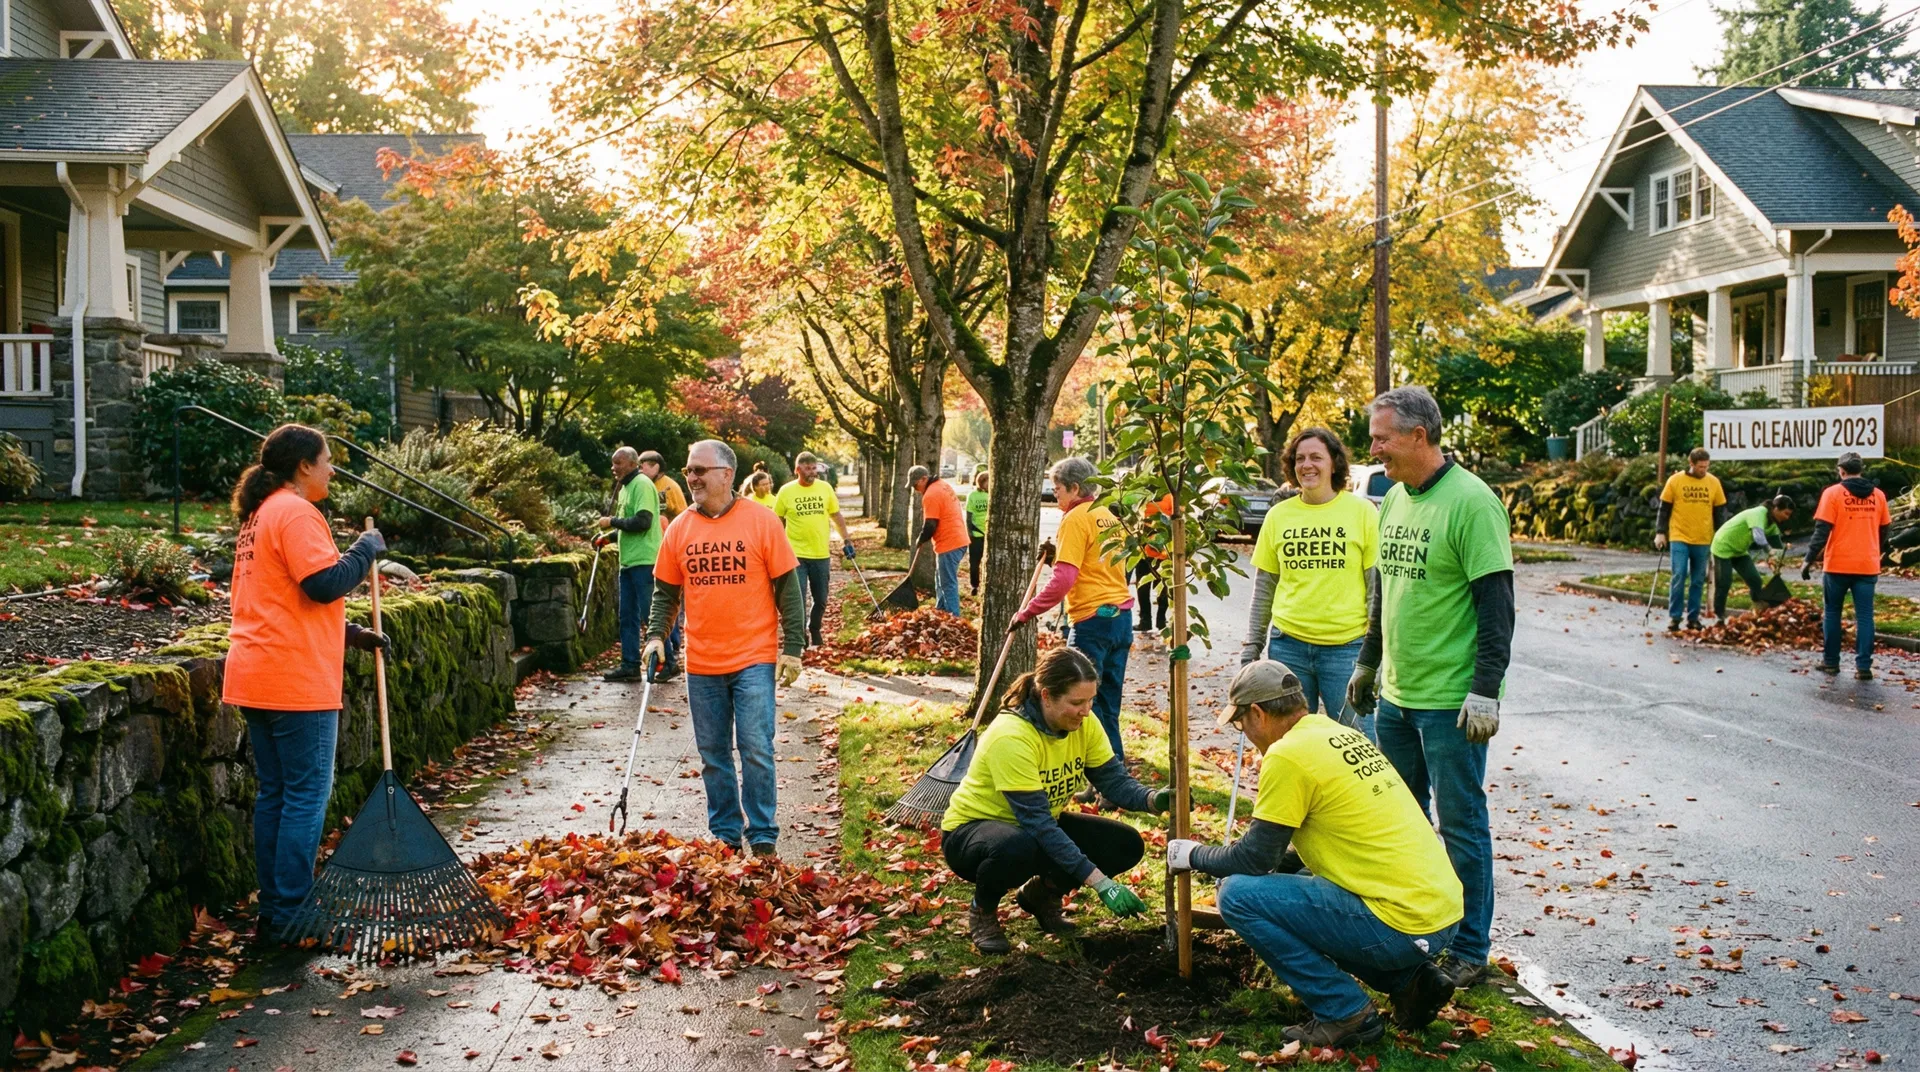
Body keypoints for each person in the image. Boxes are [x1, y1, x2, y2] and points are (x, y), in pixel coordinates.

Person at [1168, 661, 1462, 1046]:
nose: (1247, 735)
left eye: (1242, 725)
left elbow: (1256, 860)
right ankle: (1411, 983)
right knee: (1300, 891)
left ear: (1257, 713)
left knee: (1237, 896)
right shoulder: (1334, 733)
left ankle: (1345, 1013)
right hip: (1439, 912)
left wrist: (1192, 855)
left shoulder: (1287, 755)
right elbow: (1311, 845)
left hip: (1402, 925)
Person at [1345, 385, 1513, 992]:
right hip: (1396, 695)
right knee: (1404, 823)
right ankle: (1419, 932)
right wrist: (1368, 663)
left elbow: (1496, 607)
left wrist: (1485, 689)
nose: (1375, 448)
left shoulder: (1473, 503)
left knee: (1462, 824)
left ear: (1419, 436)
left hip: (1449, 703)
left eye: (1382, 437)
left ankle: (1470, 947)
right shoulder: (1392, 501)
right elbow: (1384, 591)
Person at [222, 424, 389, 940]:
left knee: (276, 793)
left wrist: (351, 632)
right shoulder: (295, 511)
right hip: (293, 677)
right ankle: (294, 912)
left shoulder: (260, 515)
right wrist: (366, 550)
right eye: (328, 459)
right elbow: (322, 584)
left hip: (256, 670)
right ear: (303, 466)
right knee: (303, 796)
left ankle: (276, 911)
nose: (332, 468)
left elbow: (280, 599)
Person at [941, 648, 1171, 954]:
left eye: (1090, 700)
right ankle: (982, 911)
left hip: (1035, 828)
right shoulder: (1011, 736)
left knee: (1124, 843)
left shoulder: (1083, 724)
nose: (1086, 710)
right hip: (973, 834)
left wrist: (1153, 799)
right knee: (1018, 845)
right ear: (1046, 696)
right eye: (1076, 702)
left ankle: (1042, 894)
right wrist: (1100, 882)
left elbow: (1113, 780)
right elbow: (1037, 823)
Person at [645, 440, 807, 857]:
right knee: (713, 753)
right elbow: (666, 592)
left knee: (756, 747)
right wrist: (655, 636)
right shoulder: (680, 527)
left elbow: (788, 587)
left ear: (727, 474)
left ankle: (764, 835)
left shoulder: (762, 521)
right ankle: (725, 835)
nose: (692, 477)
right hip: (702, 661)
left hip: (754, 656)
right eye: (688, 470)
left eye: (700, 469)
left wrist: (793, 646)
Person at [1241, 427, 1379, 737]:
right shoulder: (1279, 516)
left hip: (1347, 650)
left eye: (1316, 457)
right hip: (1288, 648)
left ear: (1334, 464)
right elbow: (1265, 587)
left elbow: (1375, 590)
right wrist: (1252, 646)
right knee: (1291, 742)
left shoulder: (1362, 513)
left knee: (1360, 743)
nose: (1307, 465)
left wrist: (1375, 655)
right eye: (1300, 458)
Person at [1012, 456, 1135, 766]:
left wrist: (1028, 611)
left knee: (1078, 702)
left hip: (1093, 622)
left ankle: (1091, 774)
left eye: (1058, 490)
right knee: (1106, 703)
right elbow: (1098, 569)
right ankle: (1113, 774)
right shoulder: (1107, 515)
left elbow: (1065, 579)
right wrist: (1056, 559)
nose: (1055, 497)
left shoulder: (1076, 518)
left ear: (1075, 488)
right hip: (1120, 618)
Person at [1805, 453, 1890, 680]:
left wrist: (1808, 558)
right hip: (1867, 564)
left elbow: (1822, 530)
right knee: (1865, 616)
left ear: (1841, 470)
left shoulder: (1832, 494)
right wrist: (1875, 550)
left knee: (1832, 612)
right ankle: (1864, 667)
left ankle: (1831, 662)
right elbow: (1885, 529)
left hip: (1837, 564)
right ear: (1861, 469)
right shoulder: (1879, 496)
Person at [774, 450, 856, 648]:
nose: (812, 473)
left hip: (821, 554)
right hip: (796, 555)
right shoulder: (786, 491)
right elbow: (777, 522)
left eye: (814, 468)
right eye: (807, 469)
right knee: (798, 600)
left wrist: (846, 540)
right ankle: (801, 637)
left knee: (821, 599)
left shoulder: (825, 488)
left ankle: (815, 628)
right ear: (797, 470)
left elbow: (836, 516)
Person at [596, 447, 663, 682]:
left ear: (633, 464)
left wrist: (611, 521)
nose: (614, 468)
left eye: (619, 463)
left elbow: (643, 521)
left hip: (645, 560)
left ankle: (668, 664)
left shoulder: (642, 484)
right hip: (628, 561)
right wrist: (610, 536)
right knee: (627, 617)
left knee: (650, 615)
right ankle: (630, 665)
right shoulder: (625, 487)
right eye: (613, 463)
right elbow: (628, 524)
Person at [1656, 447, 1727, 632]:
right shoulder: (1676, 481)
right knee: (1679, 574)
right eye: (1701, 467)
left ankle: (1693, 618)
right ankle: (1675, 617)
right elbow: (1664, 509)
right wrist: (1660, 532)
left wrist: (1721, 535)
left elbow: (1720, 512)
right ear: (1691, 464)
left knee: (1697, 580)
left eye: (1706, 467)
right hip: (1679, 535)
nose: (1704, 470)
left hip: (1703, 538)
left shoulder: (1713, 482)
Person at [1710, 494, 1795, 621]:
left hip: (1739, 551)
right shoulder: (1759, 513)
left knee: (1755, 579)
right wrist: (1768, 550)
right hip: (1723, 547)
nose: (1787, 517)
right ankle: (1719, 615)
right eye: (1786, 513)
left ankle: (1758, 606)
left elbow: (1776, 543)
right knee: (1724, 582)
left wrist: (1778, 562)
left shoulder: (1772, 522)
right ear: (1776, 509)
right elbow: (1758, 536)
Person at [639, 450, 687, 670]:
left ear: (656, 466)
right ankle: (667, 644)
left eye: (645, 465)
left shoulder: (670, 487)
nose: (641, 469)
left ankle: (673, 647)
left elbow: (682, 514)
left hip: (669, 546)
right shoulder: (644, 486)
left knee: (669, 598)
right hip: (654, 549)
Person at [908, 464, 970, 615]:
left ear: (924, 479)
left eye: (915, 485)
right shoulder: (943, 485)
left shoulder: (931, 494)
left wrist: (921, 539)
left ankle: (954, 619)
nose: (915, 489)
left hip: (949, 543)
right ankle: (940, 613)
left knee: (947, 583)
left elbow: (930, 524)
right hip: (958, 540)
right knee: (940, 580)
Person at [1133, 492, 1172, 638]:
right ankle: (1148, 620)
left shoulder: (1169, 496)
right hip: (1143, 550)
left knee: (1161, 588)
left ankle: (1159, 620)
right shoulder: (1141, 494)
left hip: (1161, 551)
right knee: (1143, 587)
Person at [966, 467, 990, 596]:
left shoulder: (991, 494)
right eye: (987, 481)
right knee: (974, 562)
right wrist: (969, 530)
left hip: (989, 533)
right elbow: (969, 514)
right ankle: (974, 585)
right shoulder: (972, 495)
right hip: (976, 534)